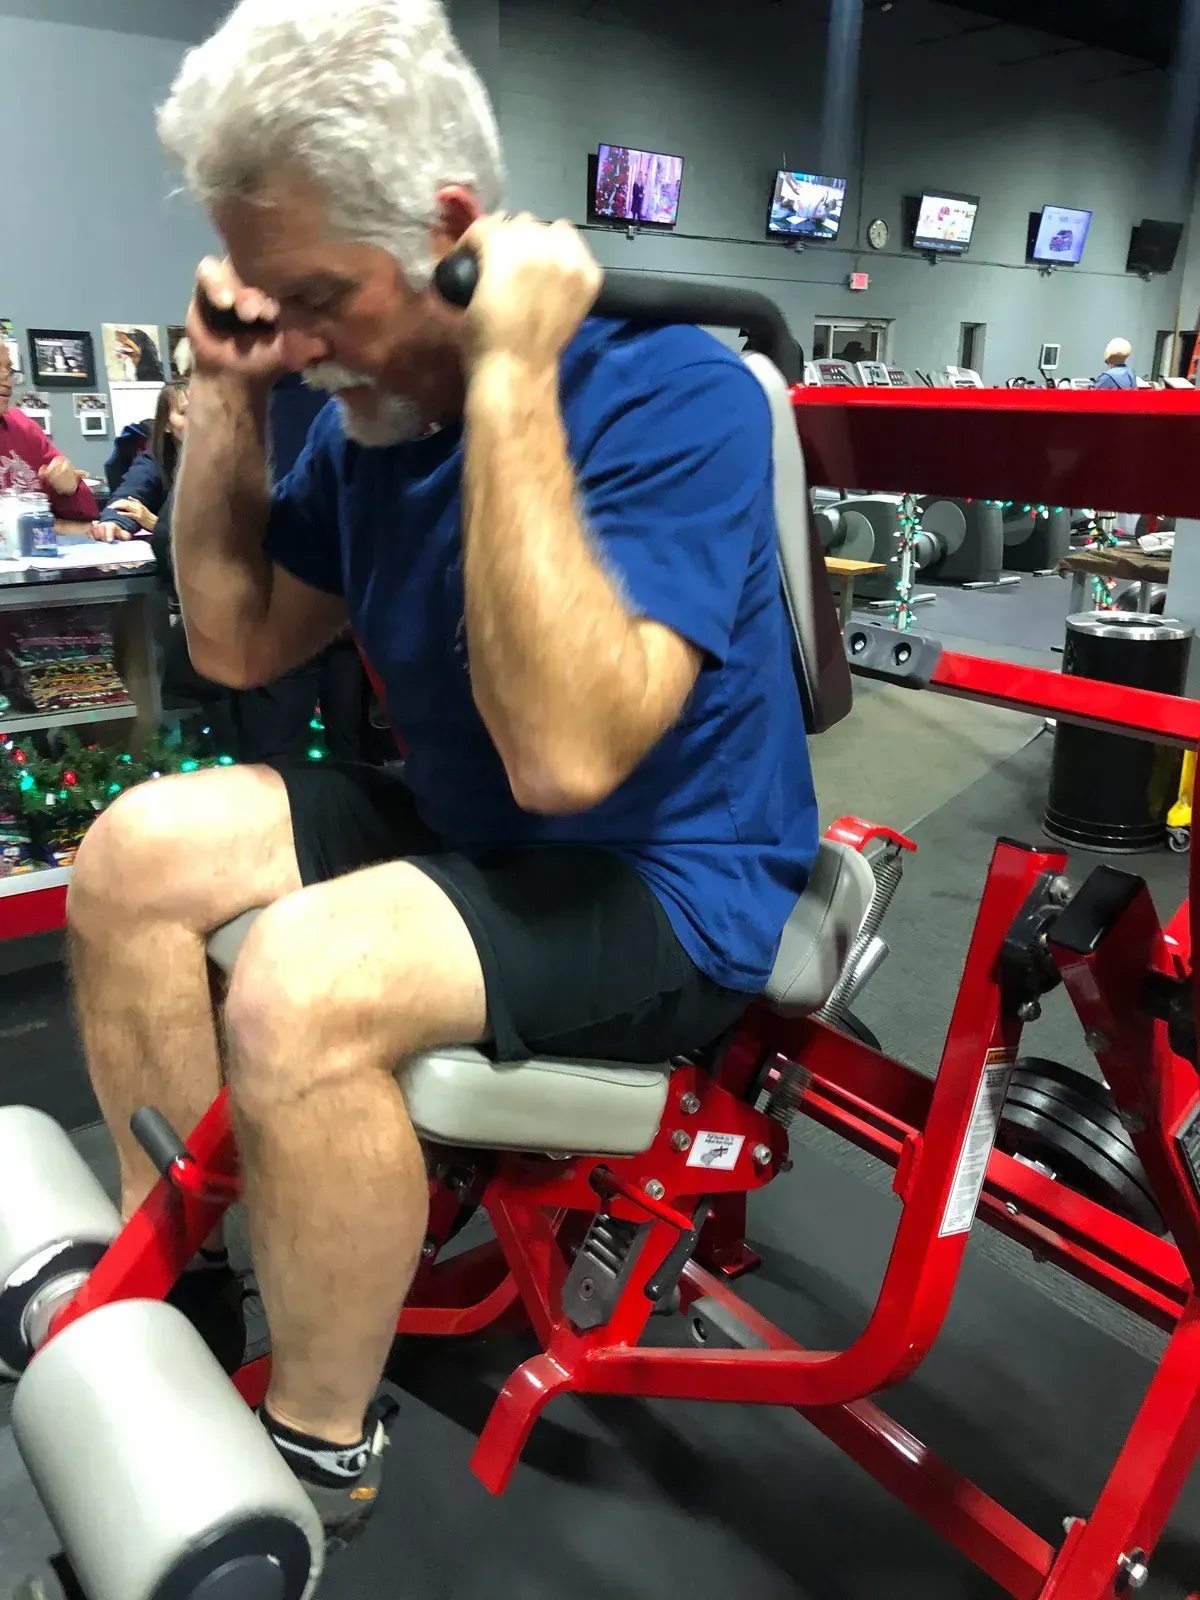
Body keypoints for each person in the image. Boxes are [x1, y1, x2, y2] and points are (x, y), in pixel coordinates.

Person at [68, 0, 817, 1553]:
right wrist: (234, 392)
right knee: (131, 852)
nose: (300, 334)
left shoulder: (673, 395)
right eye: (259, 296)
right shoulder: (361, 423)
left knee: (301, 978)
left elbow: (565, 761)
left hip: (665, 878)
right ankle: (197, 1291)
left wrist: (511, 379)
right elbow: (236, 641)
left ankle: (318, 1448)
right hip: (481, 832)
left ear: (455, 236)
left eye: (317, 299)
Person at [0, 345, 97, 521]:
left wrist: (70, 488)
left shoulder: (22, 426)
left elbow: (87, 513)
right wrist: (60, 528)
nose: (6, 378)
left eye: (8, 368)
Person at [90, 381, 189, 542]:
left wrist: (156, 524)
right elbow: (130, 494)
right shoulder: (156, 459)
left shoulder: (233, 461)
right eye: (185, 412)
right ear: (166, 425)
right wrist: (113, 523)